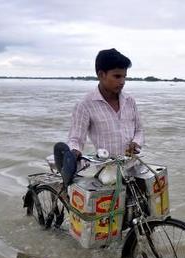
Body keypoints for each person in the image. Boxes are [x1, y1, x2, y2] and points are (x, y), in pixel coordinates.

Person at [54, 48, 145, 186]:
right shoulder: (85, 105)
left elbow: (139, 130)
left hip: (133, 166)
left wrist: (136, 143)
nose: (122, 82)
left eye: (124, 76)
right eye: (117, 76)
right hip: (107, 172)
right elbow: (76, 139)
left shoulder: (129, 101)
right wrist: (74, 152)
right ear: (101, 75)